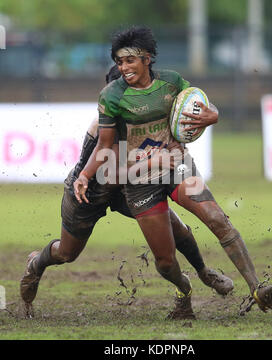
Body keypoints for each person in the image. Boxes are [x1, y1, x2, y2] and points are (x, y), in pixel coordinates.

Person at [74, 26, 272, 319]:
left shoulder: (171, 82)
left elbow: (200, 105)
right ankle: (184, 294)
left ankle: (257, 288)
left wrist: (214, 115)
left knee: (216, 218)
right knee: (166, 262)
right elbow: (104, 146)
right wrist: (84, 174)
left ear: (146, 58)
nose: (123, 67)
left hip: (177, 166)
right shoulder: (111, 95)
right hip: (139, 182)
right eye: (119, 62)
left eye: (129, 61)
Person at [20, 65, 233, 319]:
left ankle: (202, 271)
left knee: (175, 228)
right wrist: (156, 161)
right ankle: (37, 262)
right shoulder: (102, 127)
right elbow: (111, 173)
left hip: (126, 190)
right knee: (67, 253)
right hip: (90, 194)